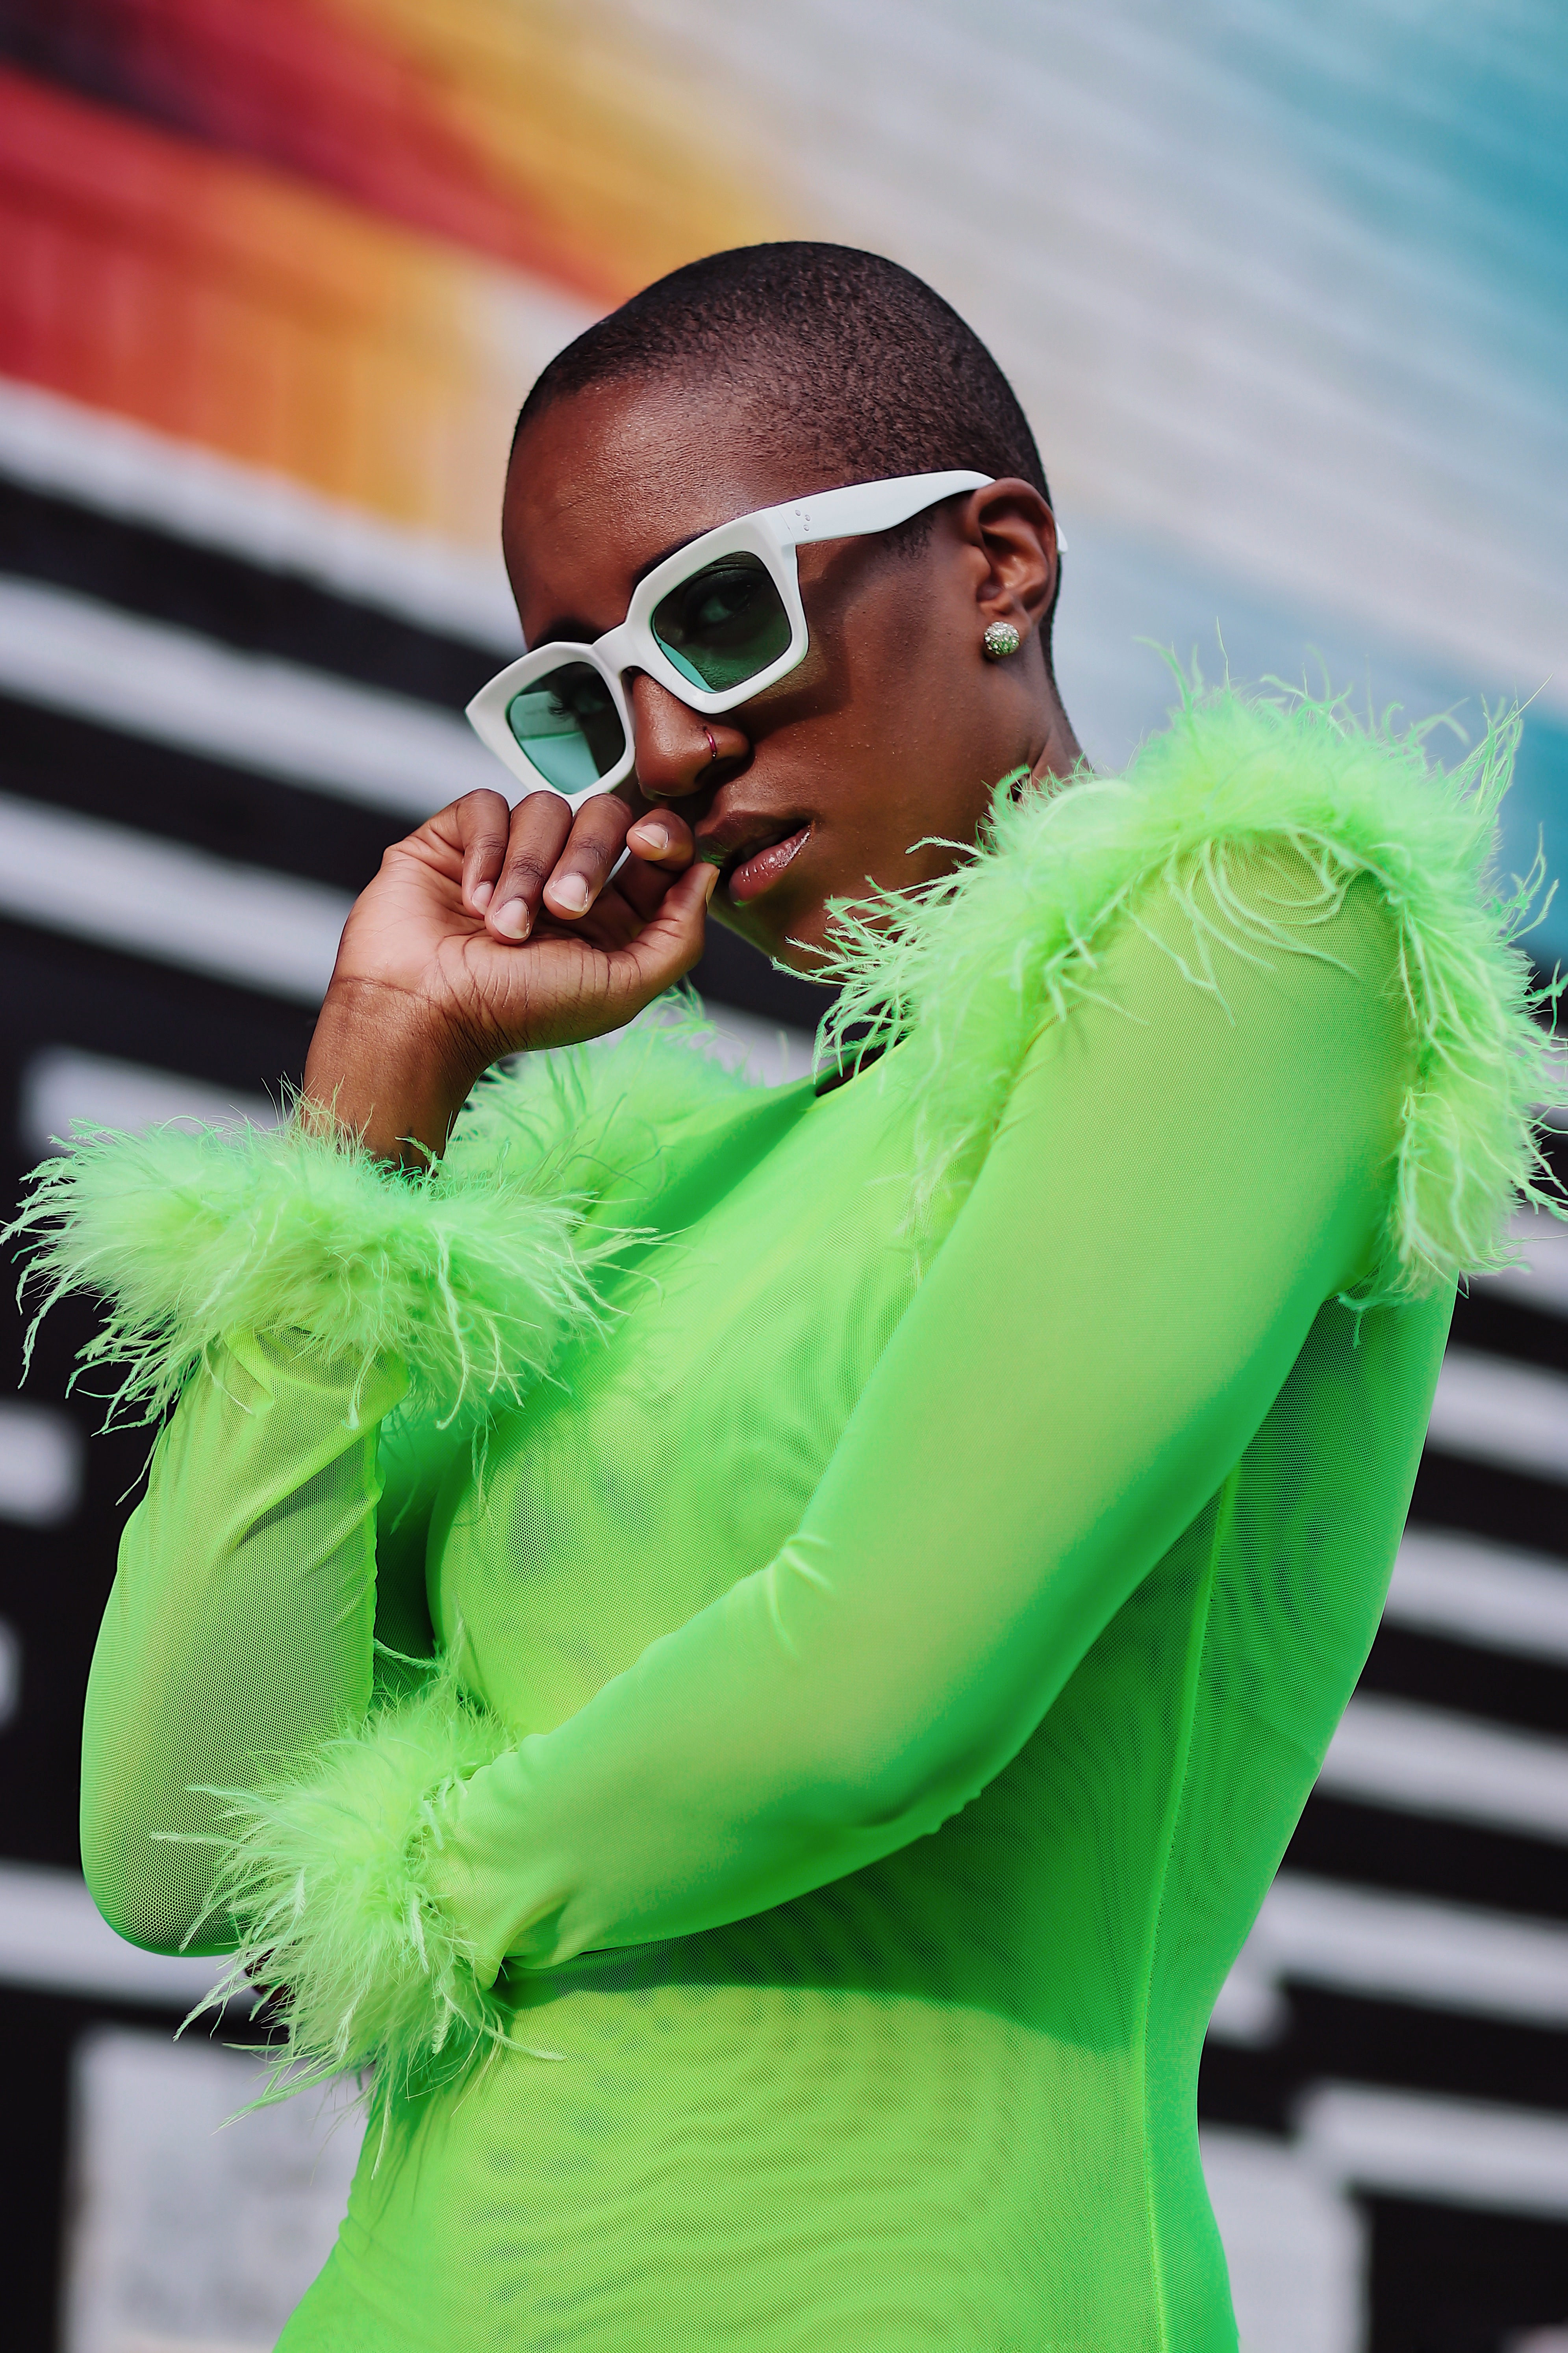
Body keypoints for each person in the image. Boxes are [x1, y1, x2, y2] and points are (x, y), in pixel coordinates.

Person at [13, 243, 1554, 2351]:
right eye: (579, 690)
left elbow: (875, 1684)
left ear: (997, 561)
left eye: (715, 615)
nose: (659, 747)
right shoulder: (640, 1206)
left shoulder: (1263, 932)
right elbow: (180, 1860)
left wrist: (396, 1897)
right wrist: (375, 1103)